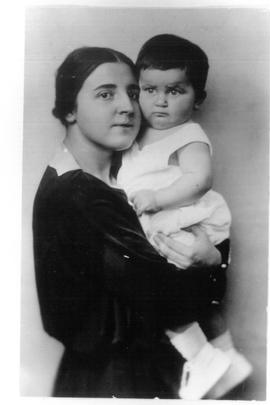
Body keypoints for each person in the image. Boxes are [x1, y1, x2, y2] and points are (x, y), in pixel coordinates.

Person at [33, 46, 231, 399]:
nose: (127, 106)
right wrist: (214, 264)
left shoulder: (121, 179)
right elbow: (172, 297)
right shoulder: (82, 194)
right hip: (115, 379)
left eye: (133, 93)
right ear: (69, 109)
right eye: (106, 94)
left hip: (147, 370)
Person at [117, 34, 252, 400]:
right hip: (166, 224)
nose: (160, 101)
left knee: (160, 291)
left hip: (185, 220)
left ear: (198, 100)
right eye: (149, 90)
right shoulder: (135, 137)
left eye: (175, 91)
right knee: (189, 295)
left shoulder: (189, 135)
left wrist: (158, 198)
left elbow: (200, 179)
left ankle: (204, 359)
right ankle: (227, 358)